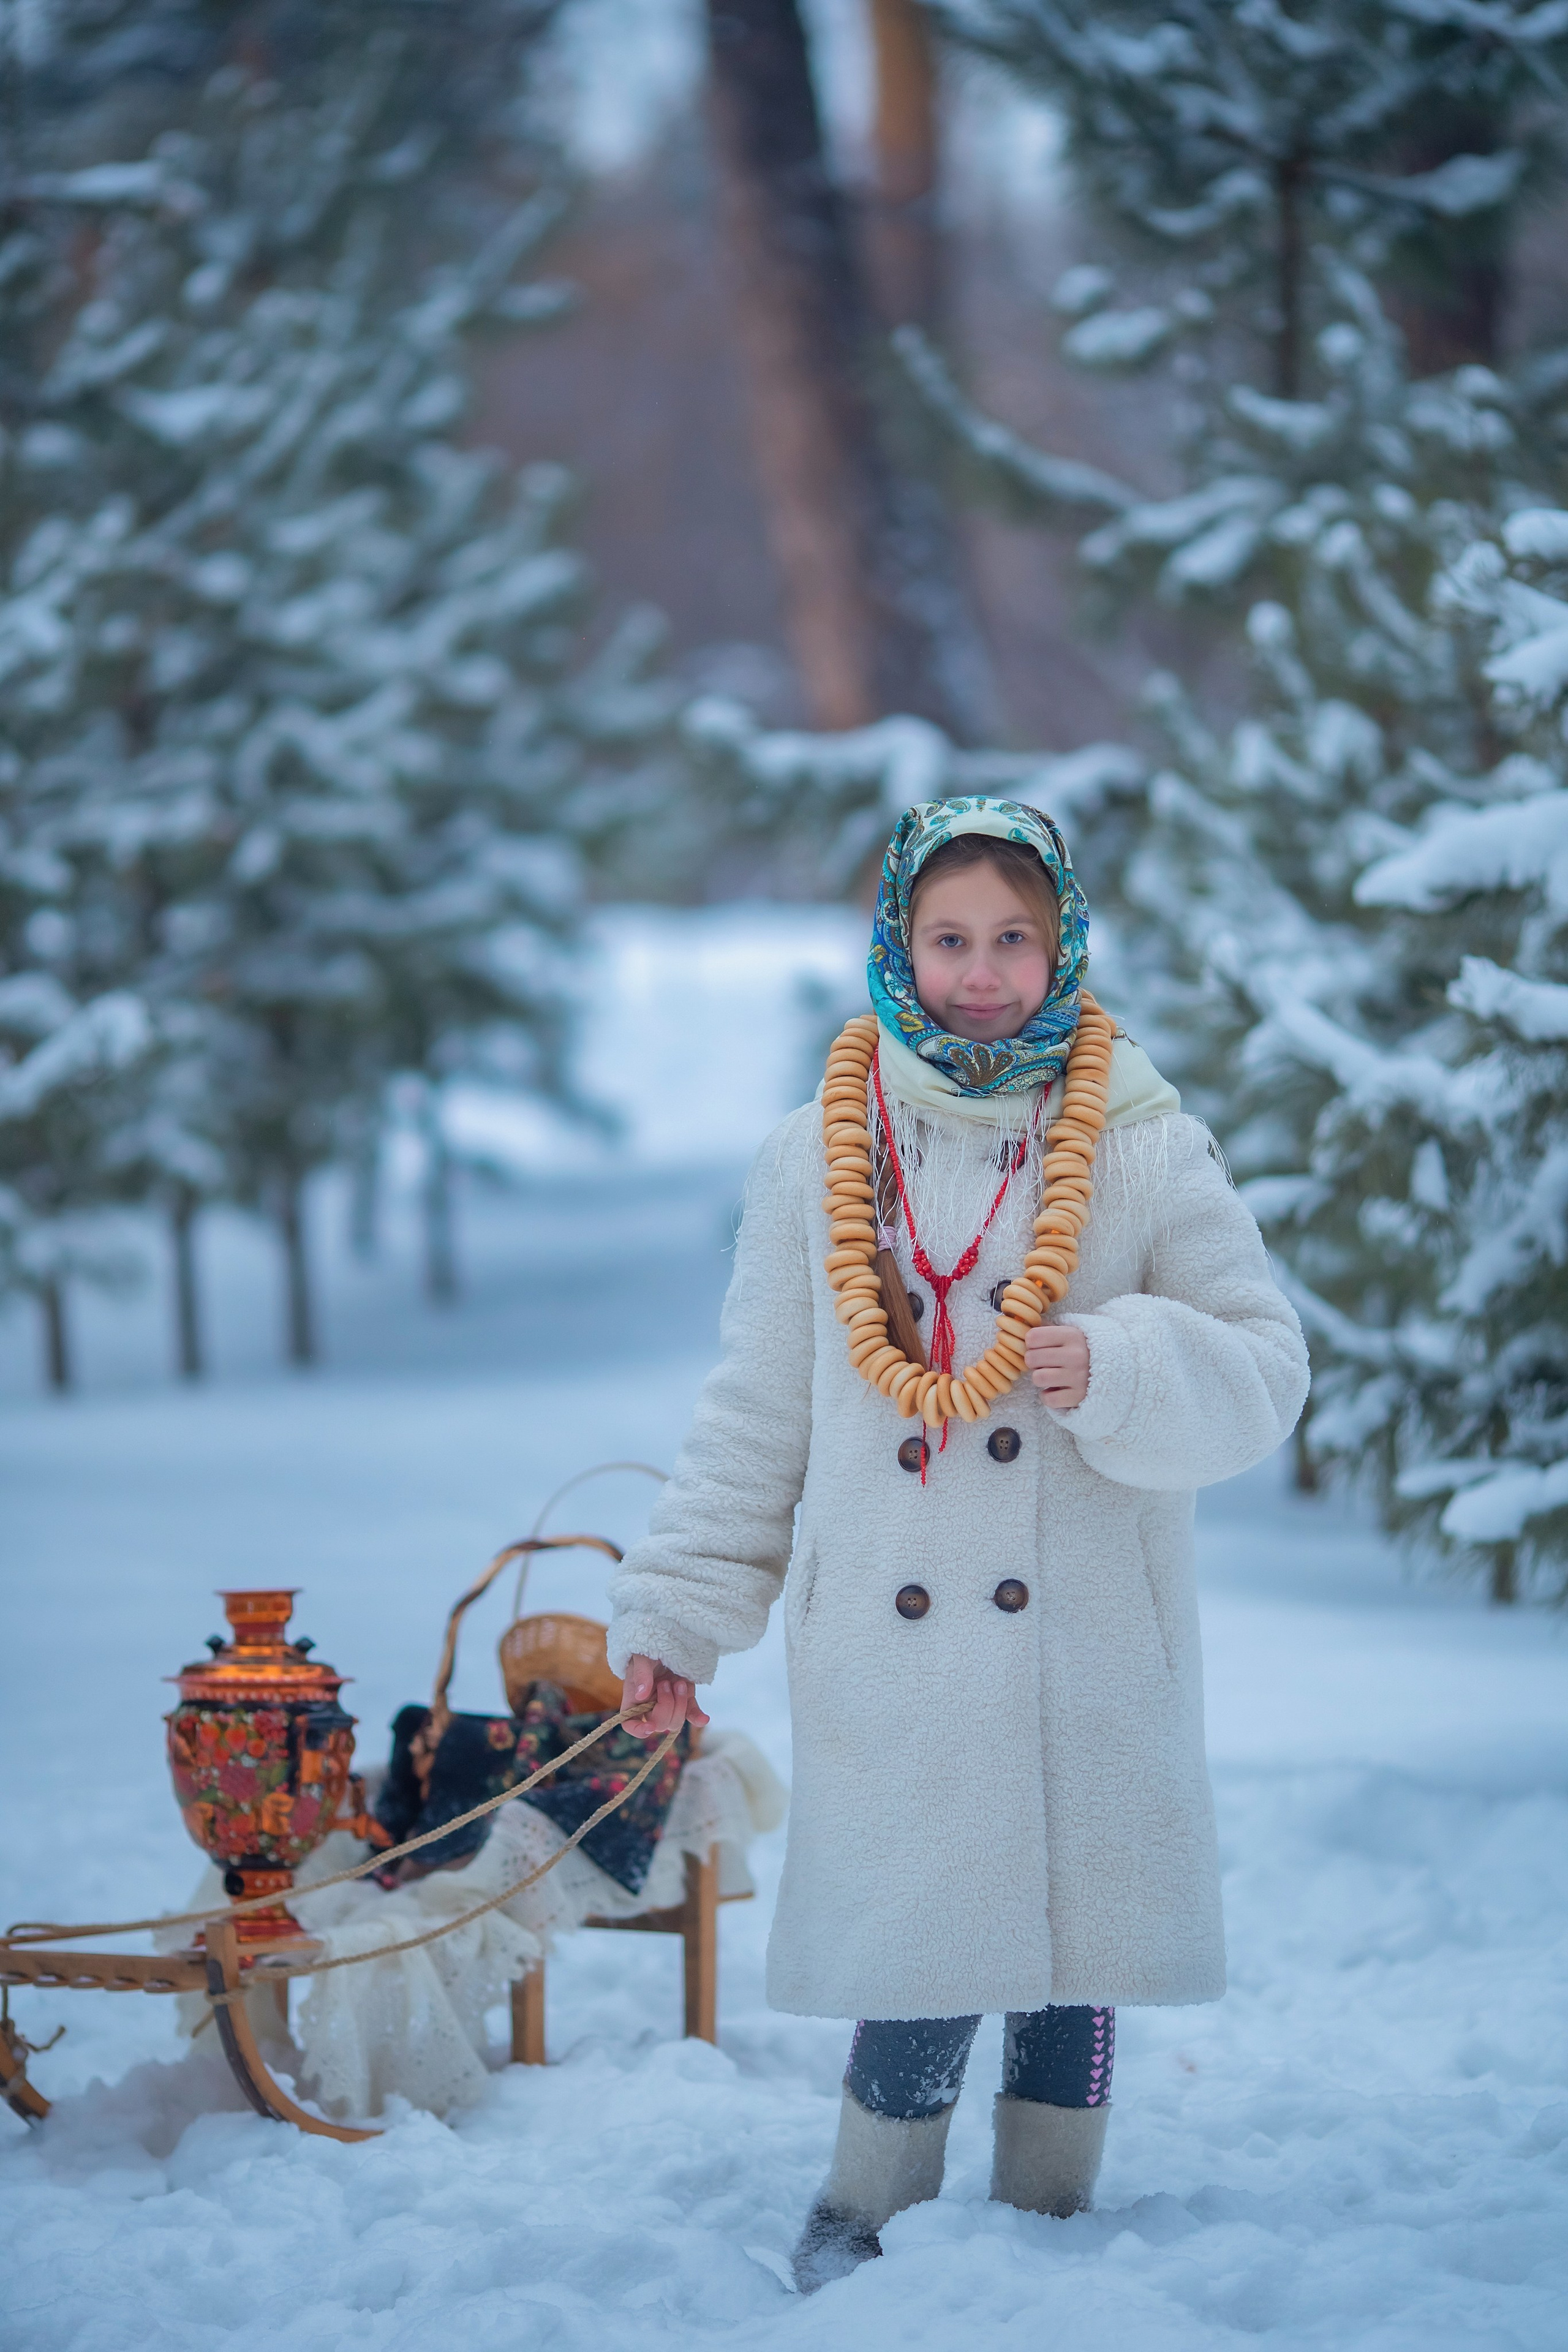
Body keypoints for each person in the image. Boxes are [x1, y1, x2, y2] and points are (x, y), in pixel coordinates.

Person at [608, 796, 1308, 2292]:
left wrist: (1119, 1365)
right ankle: (864, 2207)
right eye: (947, 940)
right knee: (921, 1937)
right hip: (892, 1621)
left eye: (1012, 940)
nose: (979, 973)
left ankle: (1050, 2212)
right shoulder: (816, 1154)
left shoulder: (1139, 1140)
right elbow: (756, 1409)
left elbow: (1263, 1363)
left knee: (1074, 1946)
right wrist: (676, 1615)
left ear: (1060, 946)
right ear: (894, 942)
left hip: (1086, 1627)